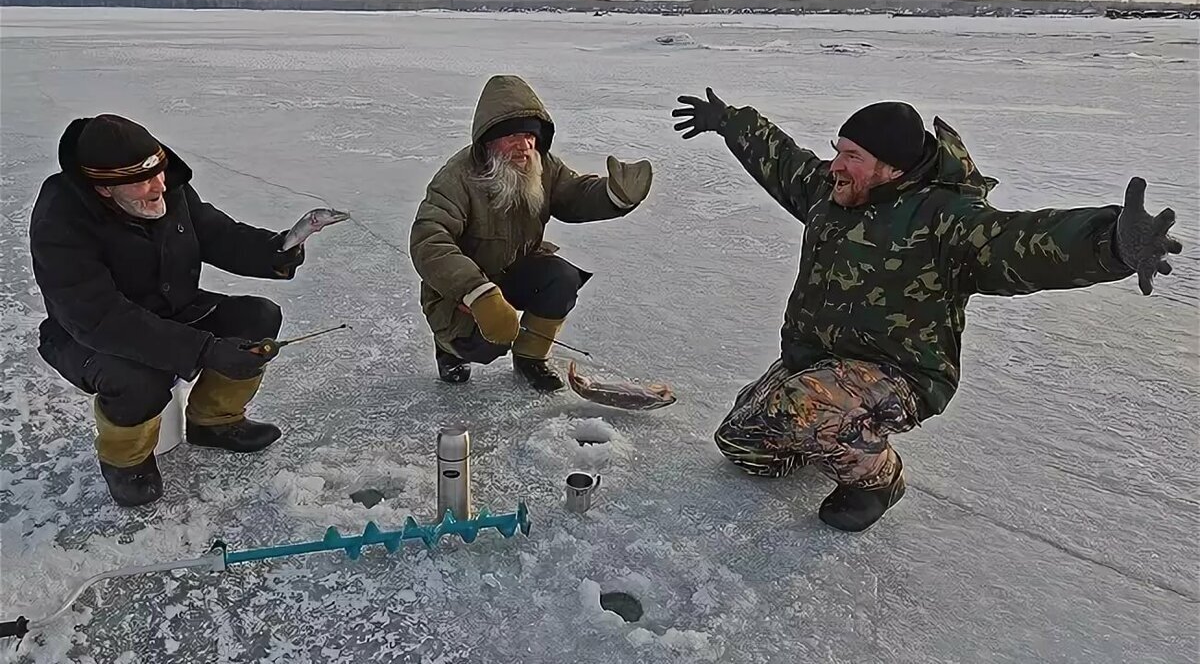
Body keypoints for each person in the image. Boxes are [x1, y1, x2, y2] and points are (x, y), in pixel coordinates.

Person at [672, 89, 1183, 532]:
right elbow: (785, 162)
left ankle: (877, 480)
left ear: (891, 167)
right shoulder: (833, 195)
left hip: (900, 372)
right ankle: (827, 428)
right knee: (743, 445)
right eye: (837, 150)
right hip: (821, 362)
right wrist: (731, 122)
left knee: (801, 405)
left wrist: (1111, 243)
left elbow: (1023, 242)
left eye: (851, 155)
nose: (834, 166)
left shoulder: (946, 220)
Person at [29, 114, 308, 508]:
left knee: (258, 318)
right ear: (105, 190)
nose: (160, 185)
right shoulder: (60, 220)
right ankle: (126, 462)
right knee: (139, 380)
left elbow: (214, 233)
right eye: (144, 181)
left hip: (173, 310)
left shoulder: (166, 188)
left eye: (159, 171)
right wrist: (204, 349)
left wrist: (276, 249)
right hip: (85, 335)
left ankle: (214, 421)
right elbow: (100, 317)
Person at [409, 74, 653, 391]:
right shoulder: (455, 179)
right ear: (488, 139)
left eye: (530, 136)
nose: (525, 145)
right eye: (513, 137)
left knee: (560, 278)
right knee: (491, 341)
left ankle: (530, 358)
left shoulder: (542, 164)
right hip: (461, 293)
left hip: (514, 270)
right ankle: (450, 351)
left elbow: (574, 195)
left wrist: (615, 195)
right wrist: (475, 292)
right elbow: (430, 240)